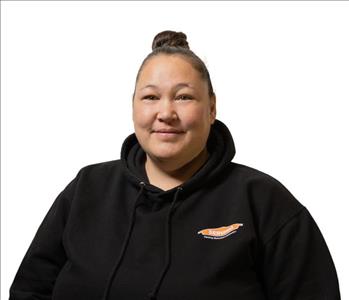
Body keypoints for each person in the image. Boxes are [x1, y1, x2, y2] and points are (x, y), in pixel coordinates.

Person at [9, 30, 341, 300]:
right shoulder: (87, 189)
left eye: (183, 97)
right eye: (151, 97)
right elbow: (29, 290)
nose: (165, 113)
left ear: (211, 109)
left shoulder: (264, 202)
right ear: (134, 107)